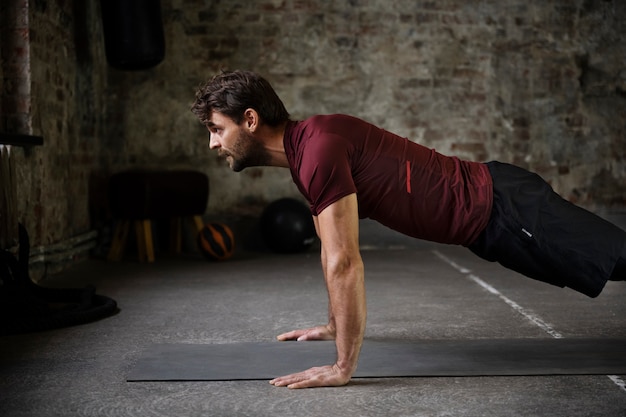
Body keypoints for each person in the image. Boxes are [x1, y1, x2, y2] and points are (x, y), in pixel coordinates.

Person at [191, 70, 626, 389]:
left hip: (507, 211)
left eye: (216, 129)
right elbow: (329, 247)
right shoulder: (309, 147)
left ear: (249, 120)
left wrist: (343, 366)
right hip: (494, 217)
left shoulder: (317, 152)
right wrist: (331, 324)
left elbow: (345, 262)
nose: (213, 143)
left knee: (616, 260)